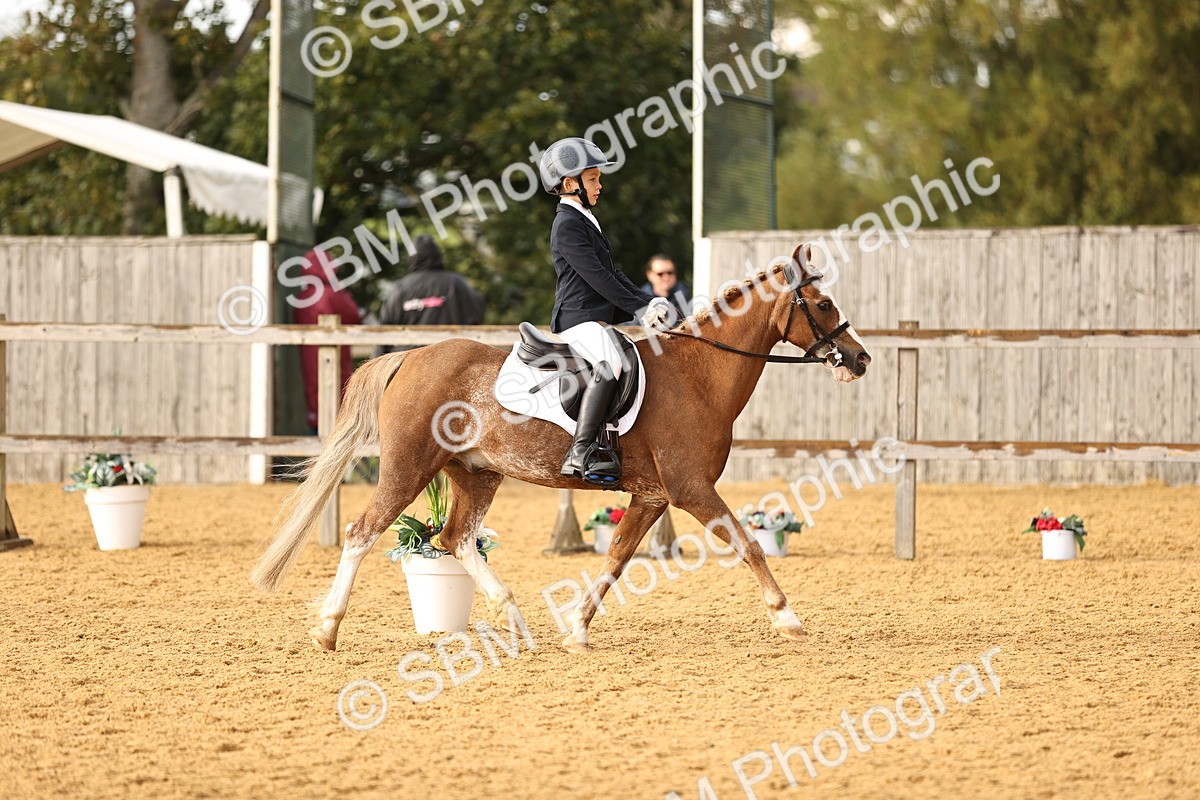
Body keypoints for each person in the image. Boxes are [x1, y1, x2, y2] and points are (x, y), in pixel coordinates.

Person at [539, 136, 673, 486]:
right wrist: (639, 309)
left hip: (593, 318)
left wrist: (647, 301)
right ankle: (580, 450)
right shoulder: (567, 223)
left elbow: (612, 273)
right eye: (593, 178)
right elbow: (596, 277)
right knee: (609, 363)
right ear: (571, 183)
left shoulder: (584, 218)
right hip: (577, 318)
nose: (600, 185)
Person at [375, 234, 486, 356]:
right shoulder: (457, 283)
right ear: (438, 255)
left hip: (408, 359)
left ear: (412, 257)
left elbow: (384, 331)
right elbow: (477, 315)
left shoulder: (400, 288)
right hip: (453, 355)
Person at [292, 248, 363, 434]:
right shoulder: (333, 294)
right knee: (338, 404)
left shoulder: (301, 298)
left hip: (309, 361)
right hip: (336, 360)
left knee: (314, 399)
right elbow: (355, 316)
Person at [641, 254, 690, 321]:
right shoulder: (640, 300)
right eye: (660, 274)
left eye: (670, 273)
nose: (666, 277)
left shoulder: (686, 297)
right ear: (649, 275)